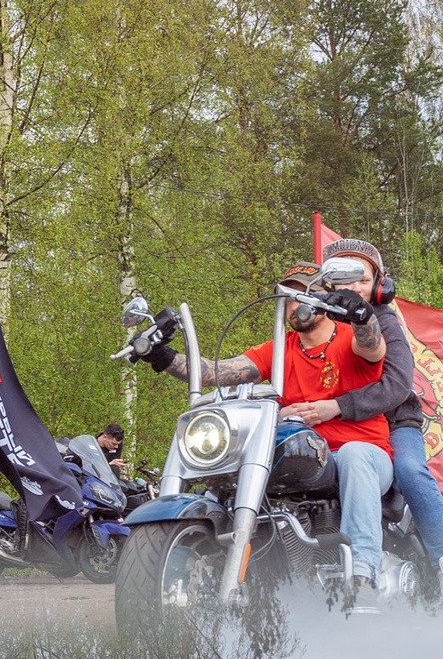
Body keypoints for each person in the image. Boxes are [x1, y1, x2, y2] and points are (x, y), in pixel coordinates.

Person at [141, 261, 399, 609]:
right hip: (304, 453)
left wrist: (361, 315)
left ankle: (364, 573)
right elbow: (215, 372)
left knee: (353, 454)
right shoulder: (278, 349)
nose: (295, 304)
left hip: (363, 452)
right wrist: (161, 354)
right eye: (288, 297)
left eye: (305, 294)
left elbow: (372, 347)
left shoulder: (349, 341)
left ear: (329, 297)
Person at [319, 237, 443, 606]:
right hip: (340, 428)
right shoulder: (318, 324)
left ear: (380, 284)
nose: (352, 287)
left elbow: (397, 385)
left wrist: (339, 406)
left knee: (408, 469)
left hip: (393, 421)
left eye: (361, 278)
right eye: (343, 278)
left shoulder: (385, 321)